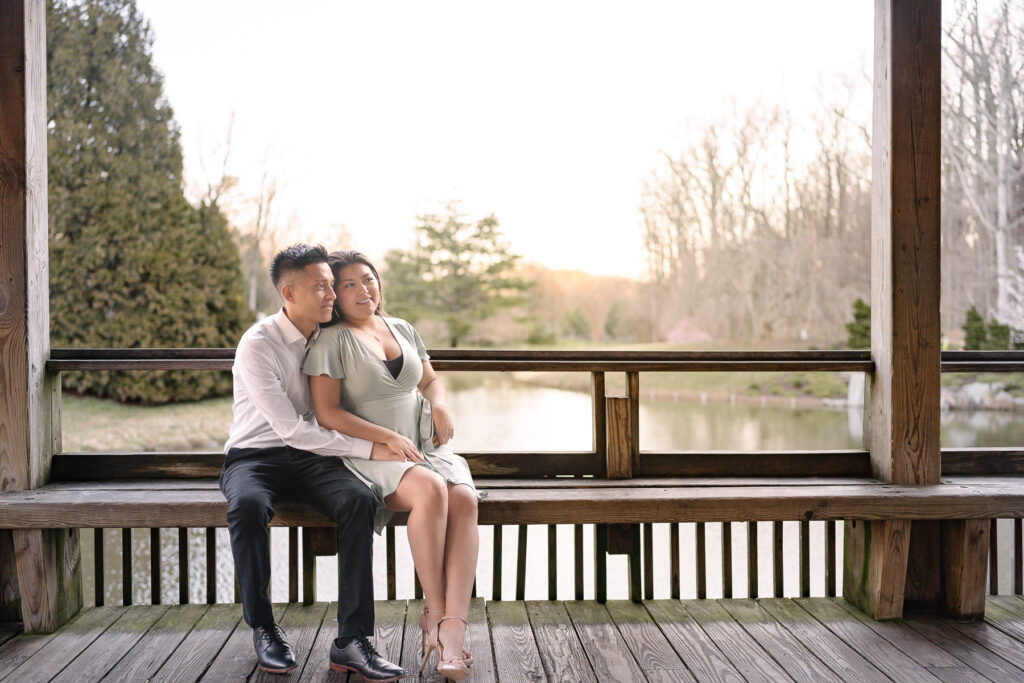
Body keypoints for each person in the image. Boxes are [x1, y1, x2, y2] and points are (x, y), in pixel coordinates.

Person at [221, 244, 405, 681]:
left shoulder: (331, 336)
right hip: (255, 457)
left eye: (331, 284)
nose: (330, 294)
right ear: (288, 292)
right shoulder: (258, 344)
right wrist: (370, 448)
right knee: (246, 506)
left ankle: (351, 641)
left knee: (359, 499)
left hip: (313, 457)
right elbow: (289, 429)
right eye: (320, 286)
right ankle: (264, 628)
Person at [303, 250, 482, 681]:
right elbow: (327, 413)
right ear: (335, 295)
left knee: (464, 498)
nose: (363, 290)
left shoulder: (401, 328)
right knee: (431, 490)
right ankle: (435, 616)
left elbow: (430, 379)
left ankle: (453, 627)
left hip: (422, 446)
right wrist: (385, 438)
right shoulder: (332, 341)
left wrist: (439, 406)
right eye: (348, 284)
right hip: (371, 452)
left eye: (369, 279)